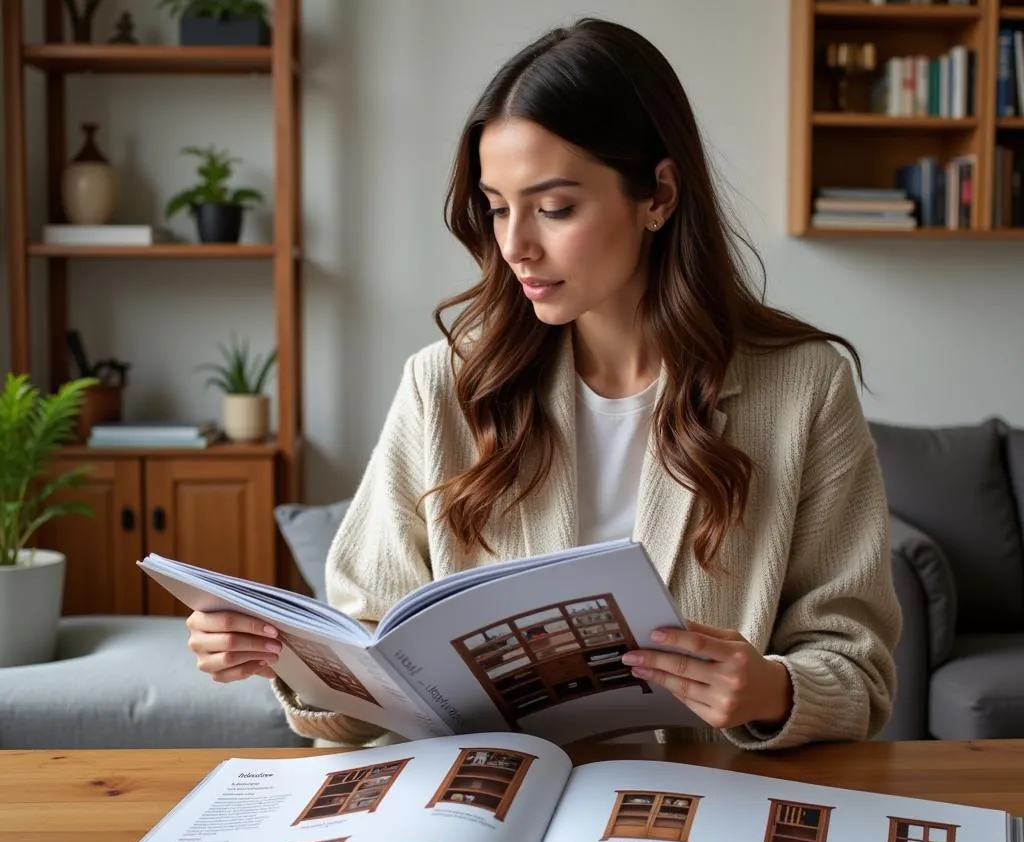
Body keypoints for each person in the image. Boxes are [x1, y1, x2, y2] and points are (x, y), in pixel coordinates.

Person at [186, 17, 900, 751]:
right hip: (487, 808)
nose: (515, 246)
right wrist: (287, 659)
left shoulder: (804, 389)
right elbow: (371, 655)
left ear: (658, 193)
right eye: (498, 208)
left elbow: (858, 668)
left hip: (700, 820)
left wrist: (770, 690)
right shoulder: (446, 387)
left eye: (555, 208)